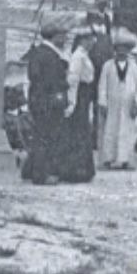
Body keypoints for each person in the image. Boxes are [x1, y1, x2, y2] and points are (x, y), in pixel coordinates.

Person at [22, 21, 73, 185]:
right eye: (62, 36)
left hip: (39, 100)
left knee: (40, 136)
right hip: (48, 102)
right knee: (46, 137)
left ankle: (32, 170)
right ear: (55, 37)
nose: (65, 39)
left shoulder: (39, 52)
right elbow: (50, 80)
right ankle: (41, 175)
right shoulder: (50, 56)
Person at [97, 28, 137, 170]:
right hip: (112, 104)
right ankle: (108, 158)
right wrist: (102, 102)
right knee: (110, 130)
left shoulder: (133, 66)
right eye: (119, 48)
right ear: (115, 49)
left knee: (127, 131)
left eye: (125, 49)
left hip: (128, 105)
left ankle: (125, 159)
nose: (122, 52)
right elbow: (102, 86)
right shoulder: (107, 66)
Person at [60, 27, 99, 183]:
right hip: (80, 94)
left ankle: (82, 169)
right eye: (90, 39)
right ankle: (75, 169)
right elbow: (73, 80)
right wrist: (72, 102)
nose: (93, 42)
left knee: (82, 130)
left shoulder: (84, 55)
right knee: (78, 131)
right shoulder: (77, 56)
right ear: (83, 40)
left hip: (85, 93)